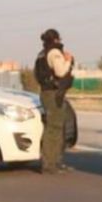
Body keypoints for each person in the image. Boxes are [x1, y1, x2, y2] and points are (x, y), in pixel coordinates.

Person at [34, 28, 74, 174]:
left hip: (45, 92)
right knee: (55, 128)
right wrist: (68, 60)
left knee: (53, 127)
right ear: (56, 39)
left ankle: (53, 162)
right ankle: (50, 164)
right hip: (54, 93)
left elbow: (36, 74)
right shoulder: (54, 52)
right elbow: (60, 71)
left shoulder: (41, 54)